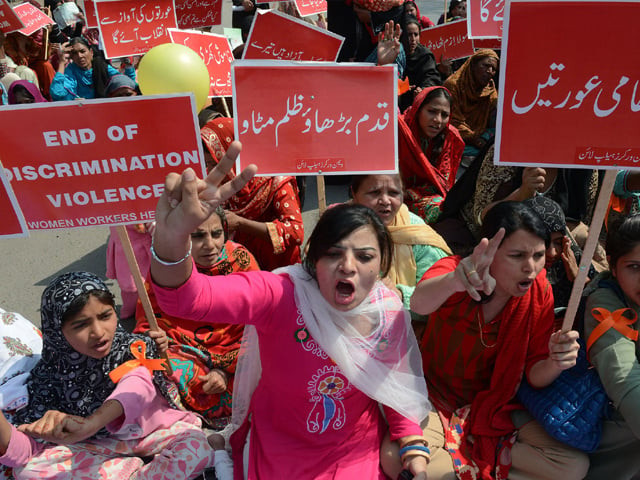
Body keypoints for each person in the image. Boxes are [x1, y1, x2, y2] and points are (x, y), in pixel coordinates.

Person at [148, 143, 432, 479]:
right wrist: (173, 237)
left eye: (365, 257)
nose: (348, 267)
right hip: (280, 447)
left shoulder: (386, 311)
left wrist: (411, 445)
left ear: (381, 263)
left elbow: (392, 386)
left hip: (353, 448)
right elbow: (183, 299)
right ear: (312, 259)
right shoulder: (280, 293)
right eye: (333, 254)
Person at [398, 201, 588, 480]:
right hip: (433, 396)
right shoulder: (456, 270)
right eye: (517, 255)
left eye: (537, 255)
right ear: (488, 250)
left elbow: (535, 375)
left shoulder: (540, 292)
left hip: (494, 406)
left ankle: (476, 462)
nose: (531, 268)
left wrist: (556, 362)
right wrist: (454, 282)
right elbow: (420, 302)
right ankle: (483, 464)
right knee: (399, 460)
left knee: (573, 466)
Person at [0, 272, 215, 479]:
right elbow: (27, 451)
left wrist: (92, 424)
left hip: (153, 432)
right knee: (29, 471)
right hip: (99, 446)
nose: (99, 332)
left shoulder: (132, 348)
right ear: (57, 331)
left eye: (105, 316)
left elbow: (137, 386)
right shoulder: (49, 379)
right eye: (81, 325)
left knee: (196, 447)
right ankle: (130, 470)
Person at [134, 208, 260, 428]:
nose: (210, 244)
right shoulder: (167, 268)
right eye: (198, 236)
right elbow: (149, 319)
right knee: (159, 364)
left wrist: (225, 370)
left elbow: (260, 316)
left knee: (272, 355)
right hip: (184, 348)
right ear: (181, 237)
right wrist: (156, 338)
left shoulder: (240, 259)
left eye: (217, 233)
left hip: (237, 349)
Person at [350, 174, 451, 330]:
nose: (385, 201)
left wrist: (399, 296)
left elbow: (443, 300)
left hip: (405, 334)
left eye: (393, 193)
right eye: (374, 192)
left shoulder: (417, 236)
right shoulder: (337, 227)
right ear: (354, 194)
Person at [201, 118, 304, 270]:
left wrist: (241, 224)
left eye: (216, 164)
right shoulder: (217, 187)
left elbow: (296, 232)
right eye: (206, 164)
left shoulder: (275, 180)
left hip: (280, 271)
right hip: (244, 271)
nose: (210, 171)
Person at [582, 214, 640, 480]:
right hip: (612, 421)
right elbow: (624, 380)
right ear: (614, 268)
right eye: (635, 267)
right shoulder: (604, 301)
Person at [398, 86, 465, 223]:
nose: (438, 120)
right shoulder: (400, 130)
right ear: (418, 109)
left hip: (426, 197)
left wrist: (413, 193)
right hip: (393, 194)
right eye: (431, 111)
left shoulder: (450, 137)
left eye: (444, 115)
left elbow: (442, 183)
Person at [524, 196, 596, 309]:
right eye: (544, 243)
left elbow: (600, 301)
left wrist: (578, 277)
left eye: (558, 242)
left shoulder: (573, 260)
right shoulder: (510, 269)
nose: (552, 253)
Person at [443, 49, 498, 161]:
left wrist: (484, 139)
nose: (490, 71)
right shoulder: (454, 86)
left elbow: (493, 122)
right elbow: (453, 121)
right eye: (486, 66)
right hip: (453, 141)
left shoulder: (490, 90)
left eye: (494, 69)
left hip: (480, 143)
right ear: (473, 65)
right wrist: (475, 140)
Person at [50, 37, 135, 101]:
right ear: (71, 56)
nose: (79, 56)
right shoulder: (71, 70)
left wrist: (128, 66)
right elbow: (57, 93)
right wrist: (61, 62)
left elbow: (128, 84)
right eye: (75, 53)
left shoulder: (100, 66)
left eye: (82, 51)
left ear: (91, 52)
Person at [399, 16, 445, 111]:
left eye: (416, 35)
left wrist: (423, 89)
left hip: (417, 102)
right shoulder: (394, 54)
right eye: (409, 35)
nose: (413, 39)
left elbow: (431, 77)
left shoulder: (425, 55)